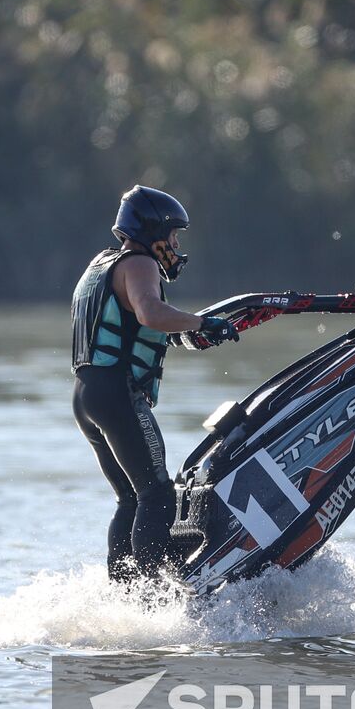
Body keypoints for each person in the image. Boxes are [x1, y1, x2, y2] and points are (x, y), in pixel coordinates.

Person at [71, 185, 238, 582]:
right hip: (115, 395)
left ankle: (125, 596)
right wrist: (201, 322)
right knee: (157, 494)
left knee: (129, 498)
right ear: (152, 231)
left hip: (86, 397)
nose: (176, 245)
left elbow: (131, 327)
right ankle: (153, 599)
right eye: (173, 235)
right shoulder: (140, 262)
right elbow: (149, 312)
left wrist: (181, 332)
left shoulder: (101, 264)